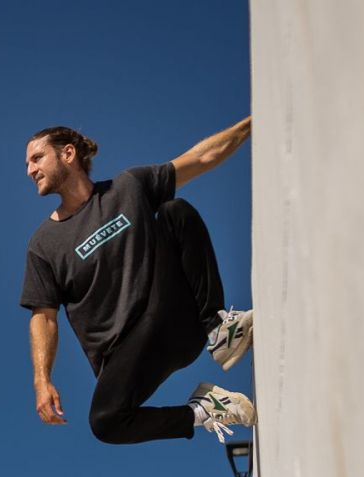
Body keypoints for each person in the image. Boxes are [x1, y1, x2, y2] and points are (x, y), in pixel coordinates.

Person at [20, 117, 256, 444]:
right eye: (28, 163)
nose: (30, 170)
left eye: (37, 158)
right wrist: (41, 380)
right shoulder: (43, 244)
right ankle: (204, 410)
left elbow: (202, 157)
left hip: (173, 315)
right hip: (126, 352)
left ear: (68, 154)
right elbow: (44, 317)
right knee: (106, 421)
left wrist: (254, 122)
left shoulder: (128, 187)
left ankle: (219, 329)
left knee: (175, 211)